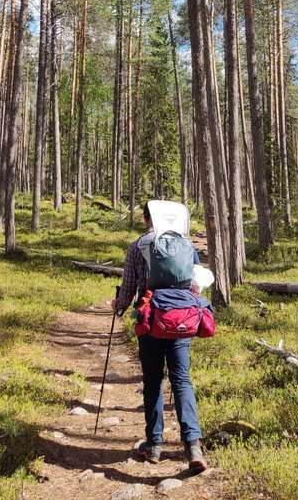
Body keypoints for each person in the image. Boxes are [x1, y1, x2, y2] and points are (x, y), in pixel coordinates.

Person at [113, 202, 207, 474]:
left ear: (146, 220)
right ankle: (193, 446)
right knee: (182, 379)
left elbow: (129, 286)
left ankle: (154, 445)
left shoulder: (138, 245)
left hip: (151, 320)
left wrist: (118, 306)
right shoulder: (185, 243)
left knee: (153, 380)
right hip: (181, 321)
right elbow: (196, 284)